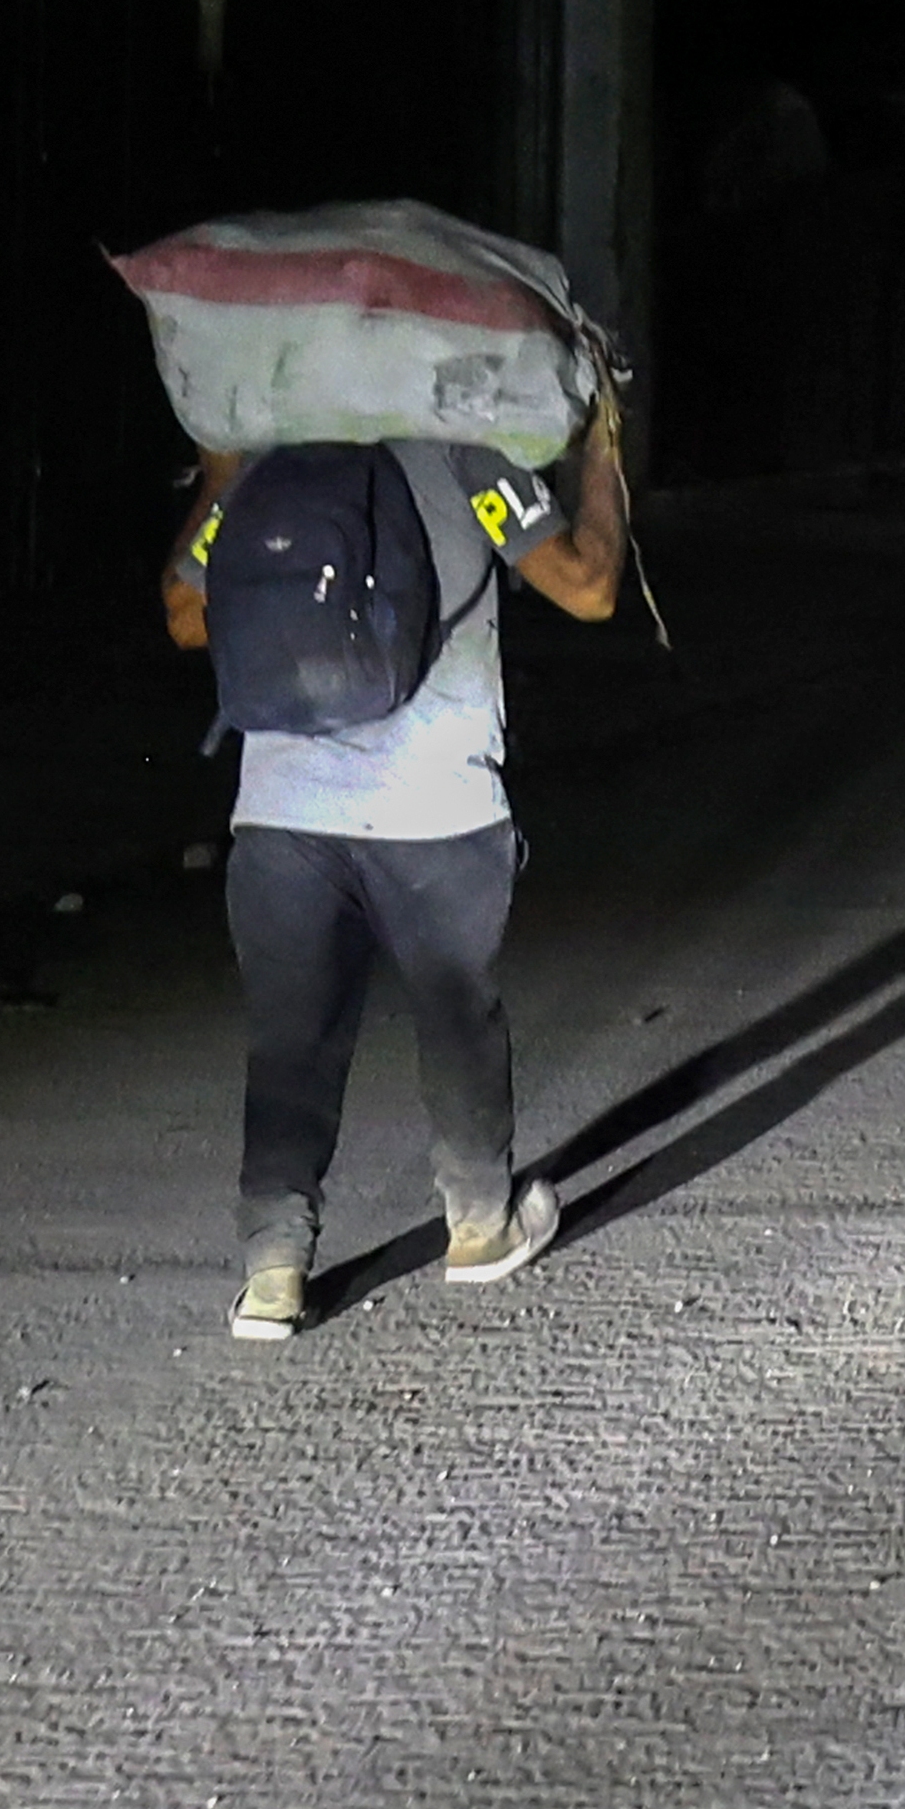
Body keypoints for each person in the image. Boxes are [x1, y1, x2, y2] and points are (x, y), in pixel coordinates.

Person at [166, 388, 631, 1342]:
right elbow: (588, 587)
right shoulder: (468, 457)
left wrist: (221, 474)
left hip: (282, 814)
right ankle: (477, 1226)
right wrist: (599, 458)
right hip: (437, 809)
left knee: (291, 1042)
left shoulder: (271, 460)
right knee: (457, 1013)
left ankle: (274, 1271)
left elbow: (184, 613)